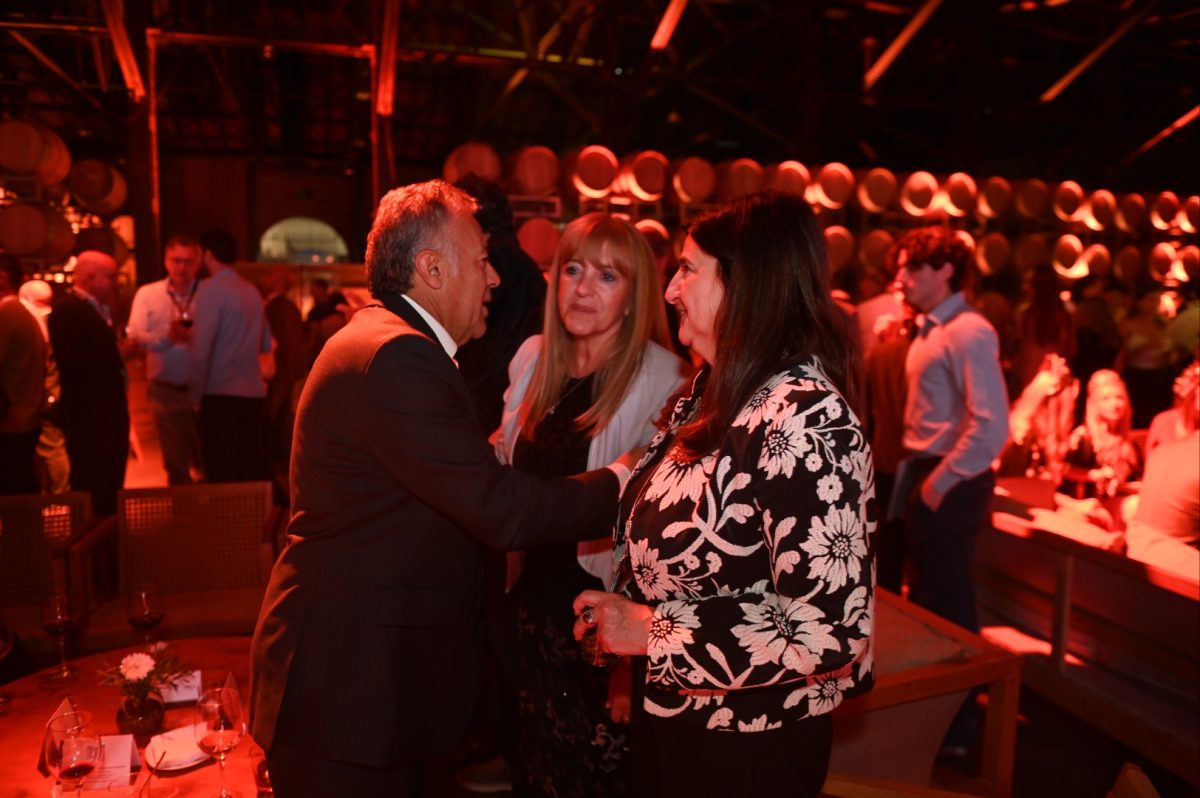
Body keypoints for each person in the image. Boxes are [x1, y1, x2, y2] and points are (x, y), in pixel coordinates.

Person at [249, 180, 629, 798]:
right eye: (481, 261)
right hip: (347, 695)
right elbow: (502, 511)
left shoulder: (388, 342)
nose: (495, 279)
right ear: (431, 270)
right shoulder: (397, 357)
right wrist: (624, 478)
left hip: (363, 685)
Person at [573, 192, 875, 798]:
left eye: (687, 269)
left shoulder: (803, 415)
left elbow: (833, 625)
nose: (669, 291)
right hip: (684, 714)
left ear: (746, 285)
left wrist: (653, 631)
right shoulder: (721, 386)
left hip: (746, 740)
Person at [493, 213, 689, 797]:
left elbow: (656, 531)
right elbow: (506, 464)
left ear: (635, 296)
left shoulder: (664, 377)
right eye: (574, 269)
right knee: (533, 768)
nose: (582, 288)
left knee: (593, 776)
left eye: (607, 276)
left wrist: (628, 667)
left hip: (598, 618)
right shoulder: (533, 358)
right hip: (528, 607)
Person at [887, 225, 1008, 760]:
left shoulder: (968, 330)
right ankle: (937, 724)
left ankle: (959, 730)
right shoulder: (933, 328)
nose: (901, 278)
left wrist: (940, 480)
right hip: (926, 470)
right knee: (929, 601)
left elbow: (991, 425)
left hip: (948, 476)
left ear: (946, 270)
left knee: (948, 603)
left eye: (913, 267)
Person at [47, 250, 134, 516]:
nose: (116, 283)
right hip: (90, 419)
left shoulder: (100, 308)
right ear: (89, 278)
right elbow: (70, 362)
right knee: (93, 486)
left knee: (110, 485)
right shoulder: (67, 311)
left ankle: (108, 535)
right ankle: (92, 538)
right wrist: (117, 354)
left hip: (108, 415)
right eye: (111, 277)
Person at [187, 230, 273, 483]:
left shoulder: (209, 290)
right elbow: (265, 342)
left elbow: (200, 351)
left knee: (223, 476)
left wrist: (195, 396)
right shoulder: (251, 291)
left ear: (207, 255)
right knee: (251, 472)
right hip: (253, 395)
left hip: (220, 395)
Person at [125, 235, 203, 484]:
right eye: (176, 260)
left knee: (208, 462)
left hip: (205, 390)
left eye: (188, 261)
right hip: (165, 390)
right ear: (166, 261)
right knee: (176, 464)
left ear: (198, 263)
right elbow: (135, 335)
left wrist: (197, 337)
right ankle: (183, 508)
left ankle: (208, 508)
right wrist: (166, 338)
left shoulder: (208, 293)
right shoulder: (149, 294)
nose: (182, 267)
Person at [0, 253, 45, 494]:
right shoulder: (20, 313)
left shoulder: (7, 314)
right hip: (24, 418)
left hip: (12, 423)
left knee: (14, 495)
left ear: (2, 278)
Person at [19, 279, 69, 493]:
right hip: (54, 395)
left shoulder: (37, 324)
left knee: (52, 448)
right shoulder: (56, 321)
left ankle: (61, 497)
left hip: (47, 397)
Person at [1058, 370, 1141, 500]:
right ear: (1094, 403)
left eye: (1119, 397)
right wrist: (1094, 475)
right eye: (1106, 399)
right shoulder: (1082, 438)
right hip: (1085, 504)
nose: (1114, 404)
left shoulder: (1129, 443)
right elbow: (1061, 469)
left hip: (1118, 499)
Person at [262, 267, 307, 466]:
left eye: (269, 275)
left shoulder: (275, 308)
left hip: (279, 373)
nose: (265, 279)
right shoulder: (290, 307)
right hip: (290, 373)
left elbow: (276, 344)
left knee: (275, 419)